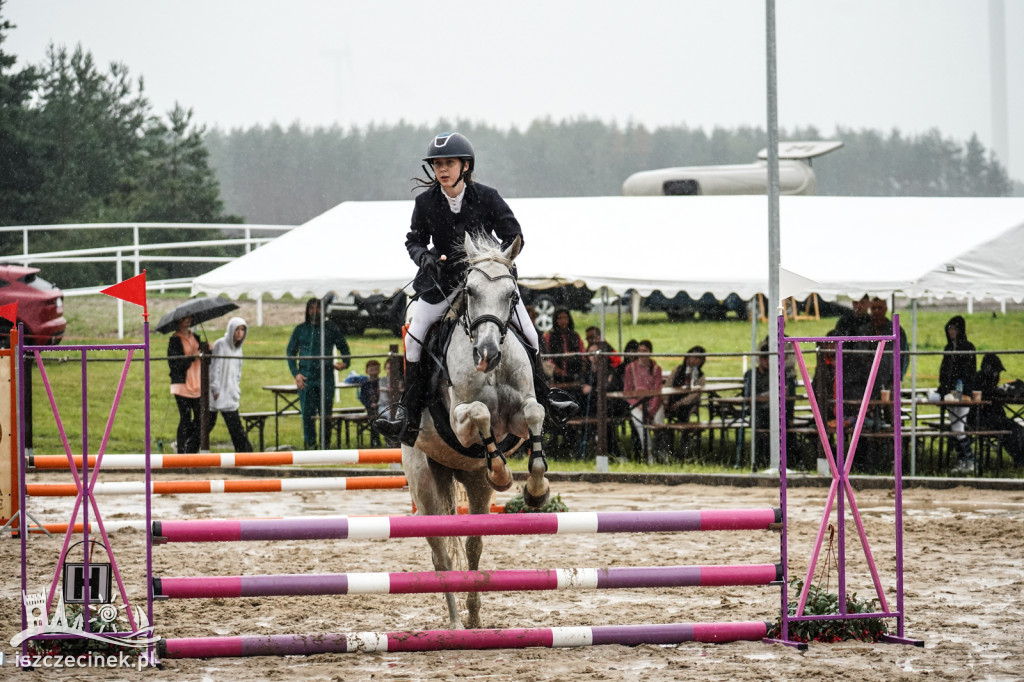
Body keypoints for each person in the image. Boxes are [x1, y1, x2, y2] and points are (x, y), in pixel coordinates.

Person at [375, 132, 576, 445]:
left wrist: (494, 260)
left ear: (464, 166)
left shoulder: (487, 196)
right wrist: (425, 258)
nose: (442, 169)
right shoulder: (425, 202)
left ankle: (548, 402)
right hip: (442, 285)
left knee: (532, 335)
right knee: (414, 341)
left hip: (487, 282)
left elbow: (513, 234)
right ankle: (409, 415)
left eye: (449, 163)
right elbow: (413, 240)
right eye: (438, 164)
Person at [287, 298, 351, 449]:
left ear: (323, 310)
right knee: (307, 415)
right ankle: (310, 445)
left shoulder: (330, 328)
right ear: (307, 310)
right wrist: (296, 373)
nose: (314, 311)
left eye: (318, 308)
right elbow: (290, 352)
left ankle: (325, 445)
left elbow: (345, 348)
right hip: (306, 377)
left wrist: (345, 363)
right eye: (311, 308)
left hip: (326, 377)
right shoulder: (301, 329)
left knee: (326, 414)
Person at [207, 316, 253, 453]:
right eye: (237, 329)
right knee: (210, 423)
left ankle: (245, 454)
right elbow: (215, 369)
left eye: (242, 330)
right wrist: (215, 389)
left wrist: (235, 388)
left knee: (234, 426)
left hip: (230, 394)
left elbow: (238, 371)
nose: (239, 333)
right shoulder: (221, 345)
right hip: (218, 393)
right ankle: (186, 448)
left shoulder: (238, 349)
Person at [971, 353, 1024, 470]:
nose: (998, 375)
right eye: (996, 372)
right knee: (1012, 428)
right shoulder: (979, 380)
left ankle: (1020, 458)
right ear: (988, 369)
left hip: (991, 418)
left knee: (1015, 427)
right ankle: (1020, 459)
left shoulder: (987, 382)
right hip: (980, 419)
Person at [938, 315, 977, 468]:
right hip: (949, 393)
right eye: (949, 329)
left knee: (958, 428)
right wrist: (944, 388)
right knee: (955, 429)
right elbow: (944, 371)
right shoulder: (948, 348)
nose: (951, 332)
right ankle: (963, 461)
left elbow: (968, 373)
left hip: (963, 394)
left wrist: (960, 390)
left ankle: (969, 460)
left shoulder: (968, 348)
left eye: (954, 329)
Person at [624, 339, 664, 460]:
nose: (642, 353)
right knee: (640, 424)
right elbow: (627, 391)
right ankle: (649, 452)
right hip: (637, 403)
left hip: (653, 403)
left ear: (650, 352)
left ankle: (661, 451)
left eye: (645, 351)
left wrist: (651, 409)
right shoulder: (630, 368)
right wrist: (637, 404)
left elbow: (657, 391)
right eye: (640, 351)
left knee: (659, 424)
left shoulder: (656, 369)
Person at [167, 315, 203, 454]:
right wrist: (191, 357)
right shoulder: (175, 341)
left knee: (200, 419)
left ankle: (191, 448)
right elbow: (175, 365)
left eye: (189, 319)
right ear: (178, 322)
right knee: (185, 418)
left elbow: (201, 356)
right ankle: (181, 450)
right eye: (184, 319)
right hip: (182, 385)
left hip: (197, 383)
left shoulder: (196, 337)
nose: (188, 321)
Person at [542, 309, 586, 384]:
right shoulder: (549, 336)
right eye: (559, 318)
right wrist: (554, 368)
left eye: (565, 318)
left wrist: (572, 355)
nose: (563, 321)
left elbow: (582, 353)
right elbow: (546, 356)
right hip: (555, 375)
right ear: (555, 320)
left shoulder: (575, 336)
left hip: (573, 373)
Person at [666, 345, 706, 422]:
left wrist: (679, 403)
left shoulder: (700, 376)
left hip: (688, 404)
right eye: (692, 356)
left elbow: (694, 395)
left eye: (698, 358)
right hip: (672, 399)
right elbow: (668, 384)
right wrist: (665, 400)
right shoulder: (677, 369)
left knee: (683, 410)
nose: (694, 360)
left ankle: (684, 432)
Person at [358, 359, 384, 447]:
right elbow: (362, 397)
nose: (374, 372)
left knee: (378, 419)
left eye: (376, 369)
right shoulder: (365, 384)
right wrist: (369, 404)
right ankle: (375, 441)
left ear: (379, 370)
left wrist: (379, 403)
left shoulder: (381, 382)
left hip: (381, 407)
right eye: (371, 369)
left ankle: (383, 440)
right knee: (373, 420)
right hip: (370, 408)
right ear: (367, 371)